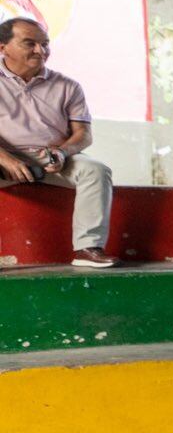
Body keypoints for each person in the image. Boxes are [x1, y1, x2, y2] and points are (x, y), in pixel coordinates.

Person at [0, 18, 116, 267]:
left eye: (45, 44)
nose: (40, 51)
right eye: (29, 44)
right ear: (2, 48)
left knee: (96, 170)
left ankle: (88, 249)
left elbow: (83, 134)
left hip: (52, 157)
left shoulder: (68, 86)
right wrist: (6, 159)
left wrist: (63, 153)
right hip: (3, 156)